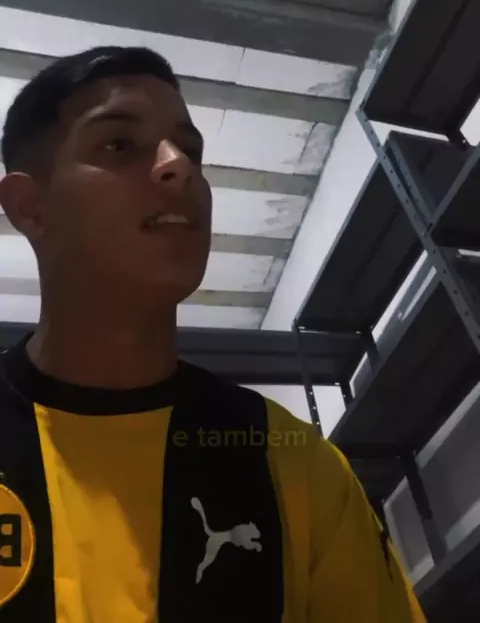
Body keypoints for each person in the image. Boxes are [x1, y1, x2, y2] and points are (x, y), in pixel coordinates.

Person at [0, 46, 425, 622]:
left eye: (190, 149)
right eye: (120, 144)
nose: (178, 164)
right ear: (30, 207)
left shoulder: (291, 460)